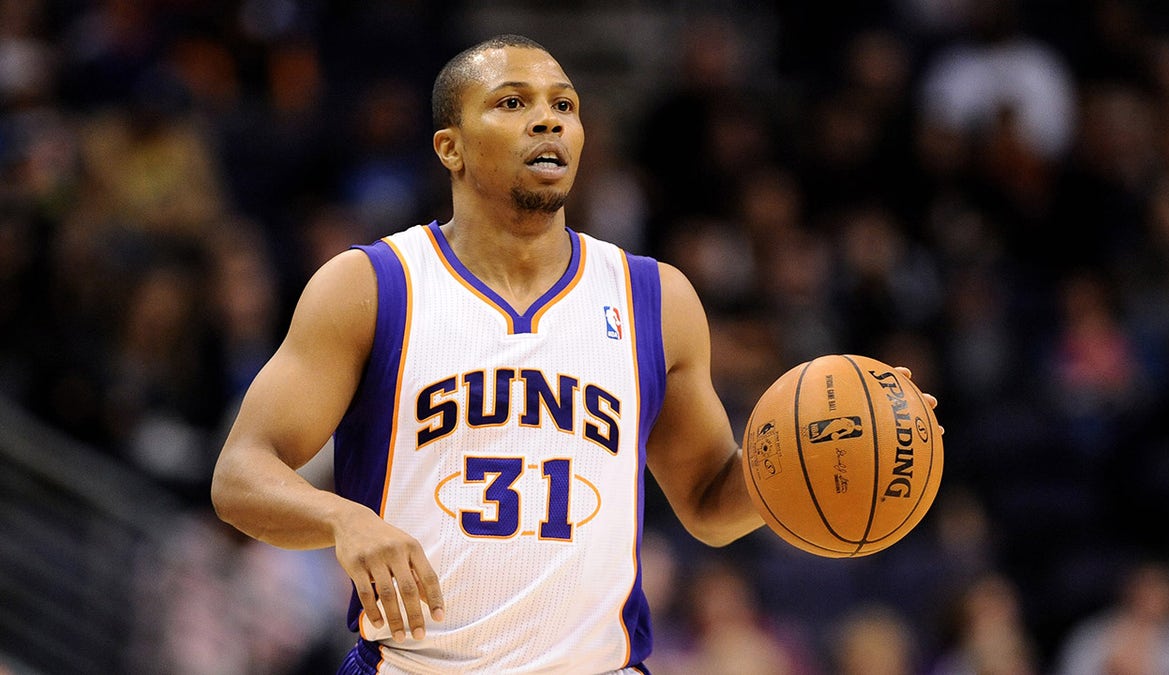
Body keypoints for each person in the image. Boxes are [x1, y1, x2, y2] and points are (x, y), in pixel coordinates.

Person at [211, 33, 939, 673]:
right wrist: (345, 520)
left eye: (565, 103)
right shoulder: (372, 286)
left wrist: (820, 451)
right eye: (512, 102)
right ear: (450, 147)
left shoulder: (656, 298)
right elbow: (240, 474)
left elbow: (711, 504)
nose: (548, 118)